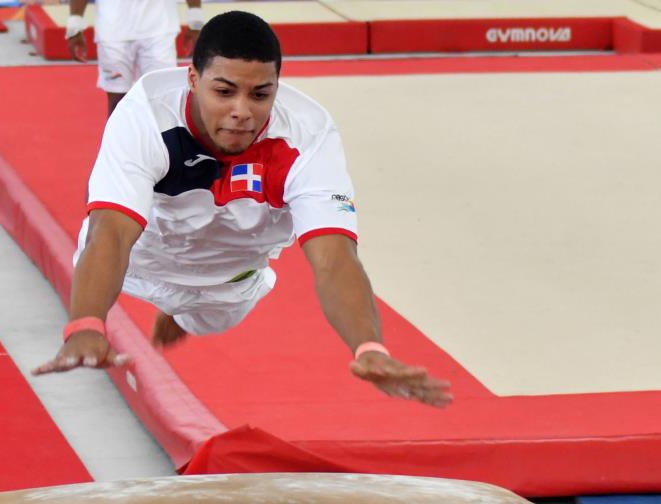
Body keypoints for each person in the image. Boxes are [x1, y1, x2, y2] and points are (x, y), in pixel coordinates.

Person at [35, 11, 453, 408]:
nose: (241, 111)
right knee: (101, 235)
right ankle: (175, 305)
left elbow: (334, 258)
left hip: (230, 279)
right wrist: (86, 324)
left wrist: (369, 347)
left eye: (260, 94)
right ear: (193, 79)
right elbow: (111, 232)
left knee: (208, 319)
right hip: (140, 263)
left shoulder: (308, 133)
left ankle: (184, 313)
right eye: (223, 91)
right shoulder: (145, 114)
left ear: (277, 85)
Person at [66, 0, 204, 116]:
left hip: (159, 28)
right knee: (117, 101)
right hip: (113, 30)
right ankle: (118, 147)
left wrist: (195, 19)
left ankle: (163, 147)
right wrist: (74, 24)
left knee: (163, 99)